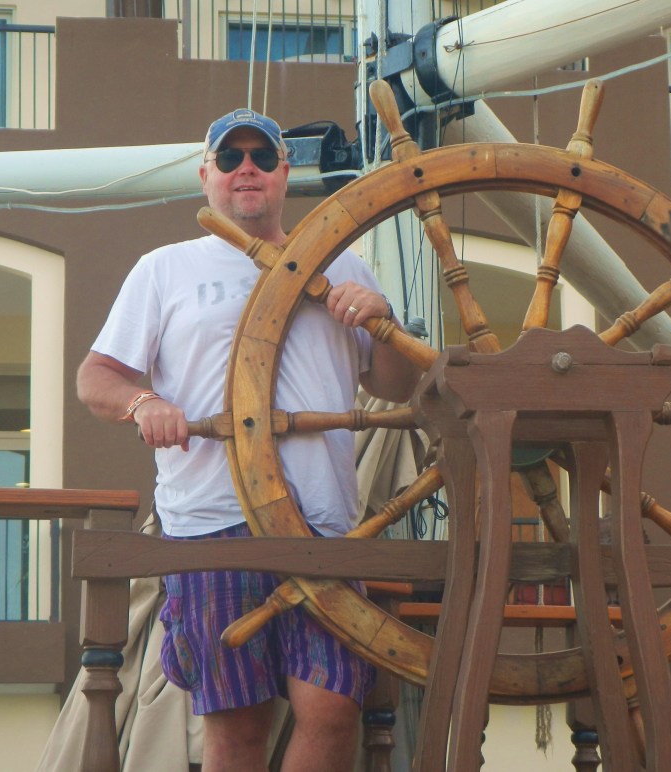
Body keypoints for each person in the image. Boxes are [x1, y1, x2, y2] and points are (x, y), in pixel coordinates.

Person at [76, 107, 418, 771]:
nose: (246, 169)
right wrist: (144, 401)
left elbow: (399, 385)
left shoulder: (344, 264)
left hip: (321, 526)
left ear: (286, 173)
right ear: (206, 175)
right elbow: (96, 379)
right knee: (234, 729)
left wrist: (383, 320)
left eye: (262, 156)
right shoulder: (163, 269)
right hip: (210, 524)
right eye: (229, 159)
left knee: (333, 708)